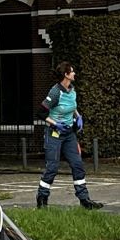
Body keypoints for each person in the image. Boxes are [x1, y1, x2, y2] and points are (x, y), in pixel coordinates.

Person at [37, 62, 103, 210]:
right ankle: (42, 199)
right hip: (54, 134)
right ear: (66, 75)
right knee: (52, 167)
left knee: (77, 165)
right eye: (72, 72)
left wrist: (78, 116)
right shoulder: (55, 92)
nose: (74, 74)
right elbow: (41, 113)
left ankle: (84, 200)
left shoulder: (72, 90)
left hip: (69, 134)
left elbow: (71, 106)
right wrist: (54, 124)